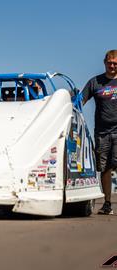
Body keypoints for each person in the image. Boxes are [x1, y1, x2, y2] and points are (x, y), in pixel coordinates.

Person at [82, 49, 117, 215]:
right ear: (105, 62)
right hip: (102, 131)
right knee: (105, 167)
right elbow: (80, 100)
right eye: (110, 62)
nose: (112, 66)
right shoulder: (95, 82)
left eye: (115, 63)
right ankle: (108, 204)